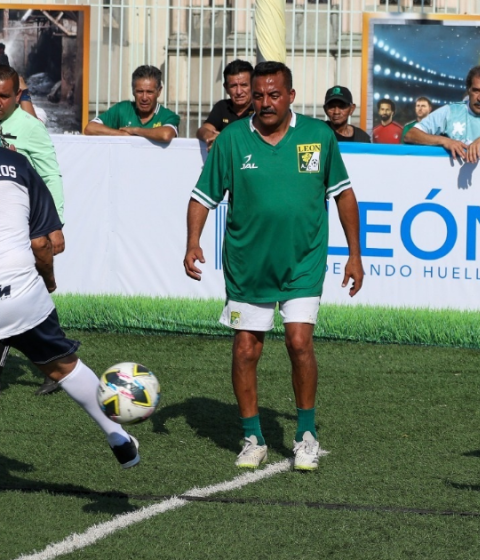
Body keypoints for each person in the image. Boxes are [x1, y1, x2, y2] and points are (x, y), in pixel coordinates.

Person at [184, 61, 364, 471]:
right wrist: (193, 242)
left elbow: (344, 196)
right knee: (247, 349)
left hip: (303, 262)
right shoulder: (231, 140)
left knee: (300, 343)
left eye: (274, 95)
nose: (265, 103)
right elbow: (200, 197)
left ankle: (305, 435)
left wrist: (355, 255)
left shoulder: (318, 137)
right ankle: (253, 437)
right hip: (248, 265)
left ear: (291, 97)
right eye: (259, 95)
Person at [0, 146, 140, 468]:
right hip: (21, 296)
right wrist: (48, 279)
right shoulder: (18, 165)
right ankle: (117, 437)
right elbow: (41, 244)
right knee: (65, 366)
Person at [0, 65, 67, 396]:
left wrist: (56, 223)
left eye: (3, 96)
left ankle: (58, 361)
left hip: (25, 225)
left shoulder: (29, 128)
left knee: (33, 294)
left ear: (17, 96)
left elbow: (50, 174)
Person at [404, 65, 480, 163]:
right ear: (469, 90)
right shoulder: (451, 111)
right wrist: (445, 141)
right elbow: (411, 135)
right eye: (476, 90)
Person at [84, 65, 179, 143]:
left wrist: (135, 130)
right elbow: (90, 128)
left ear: (159, 91)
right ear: (133, 91)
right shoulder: (122, 109)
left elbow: (166, 135)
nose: (144, 98)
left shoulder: (168, 116)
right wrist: (122, 135)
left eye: (149, 92)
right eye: (140, 92)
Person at [197, 59, 254, 150]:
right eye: (233, 86)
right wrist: (210, 136)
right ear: (226, 88)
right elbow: (202, 130)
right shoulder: (222, 107)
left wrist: (225, 138)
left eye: (244, 85)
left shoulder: (259, 109)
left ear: (253, 85)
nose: (239, 92)